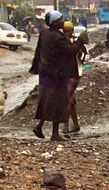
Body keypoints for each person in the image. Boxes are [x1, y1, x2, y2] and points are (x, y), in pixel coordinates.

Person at [29, 11, 86, 141]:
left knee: (47, 101)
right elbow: (70, 51)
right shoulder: (56, 37)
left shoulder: (45, 34)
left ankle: (40, 126)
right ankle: (55, 134)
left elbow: (38, 52)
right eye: (60, 19)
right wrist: (80, 41)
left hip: (45, 73)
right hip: (56, 75)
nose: (63, 21)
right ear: (54, 23)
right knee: (59, 103)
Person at [60, 20, 88, 135]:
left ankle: (66, 126)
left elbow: (83, 56)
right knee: (71, 101)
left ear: (72, 31)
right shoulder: (66, 42)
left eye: (68, 31)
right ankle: (75, 125)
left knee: (66, 100)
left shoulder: (74, 44)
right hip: (70, 74)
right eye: (65, 31)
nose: (67, 33)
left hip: (74, 74)